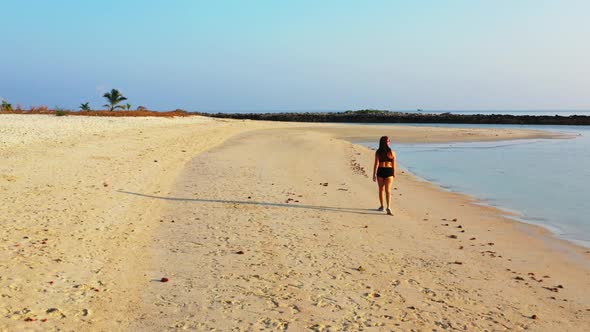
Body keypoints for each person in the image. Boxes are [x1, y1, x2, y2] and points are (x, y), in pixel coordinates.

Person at [372, 136, 396, 215]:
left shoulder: (378, 152)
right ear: (386, 142)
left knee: (381, 190)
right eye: (388, 141)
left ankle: (382, 206)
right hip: (389, 171)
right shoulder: (392, 152)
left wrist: (374, 174)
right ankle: (388, 207)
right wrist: (394, 173)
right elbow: (393, 164)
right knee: (388, 190)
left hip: (381, 171)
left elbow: (376, 164)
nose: (389, 142)